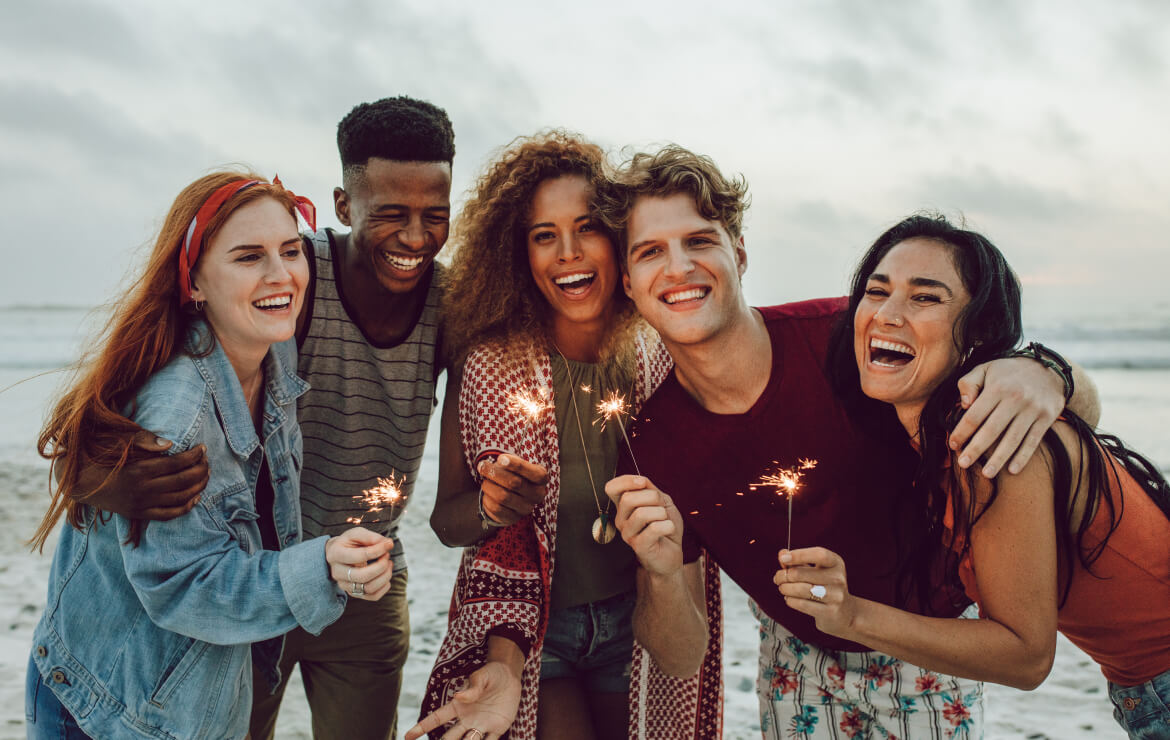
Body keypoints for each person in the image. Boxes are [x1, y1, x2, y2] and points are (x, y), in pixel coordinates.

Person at [595, 146, 1101, 739]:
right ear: (628, 283)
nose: (678, 267)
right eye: (651, 251)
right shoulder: (650, 444)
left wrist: (1048, 374)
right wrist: (658, 575)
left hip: (931, 646)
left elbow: (1079, 416)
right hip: (795, 658)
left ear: (739, 253)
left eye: (700, 241)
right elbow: (681, 658)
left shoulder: (857, 335)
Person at [53, 96, 456, 740]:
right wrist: (100, 478)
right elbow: (139, 385)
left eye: (434, 215)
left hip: (363, 572)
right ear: (345, 207)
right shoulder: (293, 280)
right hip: (250, 568)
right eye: (391, 213)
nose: (414, 236)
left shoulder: (448, 302)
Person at [776, 214, 1170, 739]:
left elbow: (1027, 658)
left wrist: (850, 616)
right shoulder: (936, 432)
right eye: (876, 291)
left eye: (925, 298)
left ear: (979, 330)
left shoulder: (984, 436)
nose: (887, 315)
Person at [407, 132, 721, 740]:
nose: (568, 253)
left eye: (588, 229)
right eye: (544, 235)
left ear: (620, 240)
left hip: (641, 621)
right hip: (531, 631)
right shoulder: (488, 362)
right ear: (518, 254)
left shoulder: (667, 360)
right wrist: (490, 508)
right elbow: (447, 523)